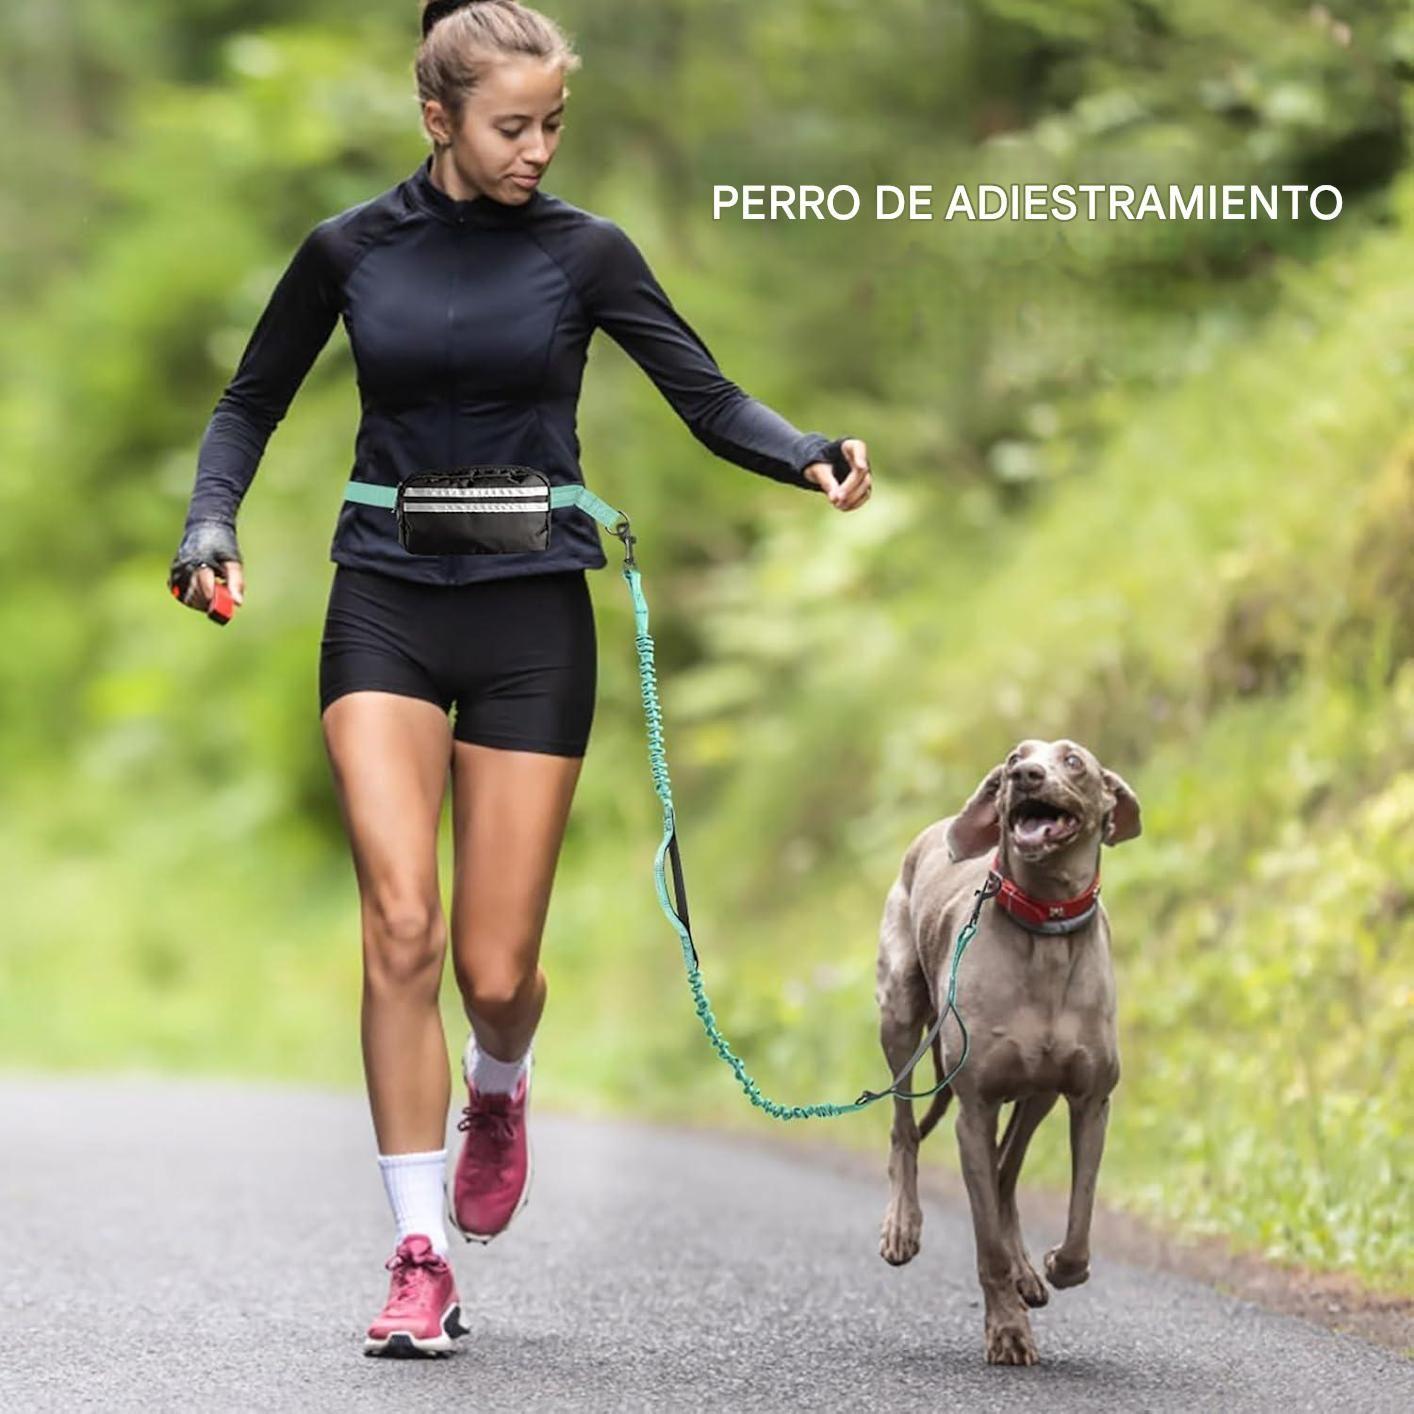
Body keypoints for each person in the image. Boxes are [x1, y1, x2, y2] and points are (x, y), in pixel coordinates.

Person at [168, 0, 873, 1359]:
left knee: (494, 971)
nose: (537, 149)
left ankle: (499, 1077)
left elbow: (705, 396)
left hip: (531, 617)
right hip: (382, 598)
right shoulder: (348, 250)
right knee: (399, 924)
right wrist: (212, 519)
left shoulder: (585, 254)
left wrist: (807, 451)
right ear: (437, 120)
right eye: (511, 126)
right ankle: (418, 1249)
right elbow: (250, 399)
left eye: (552, 124)